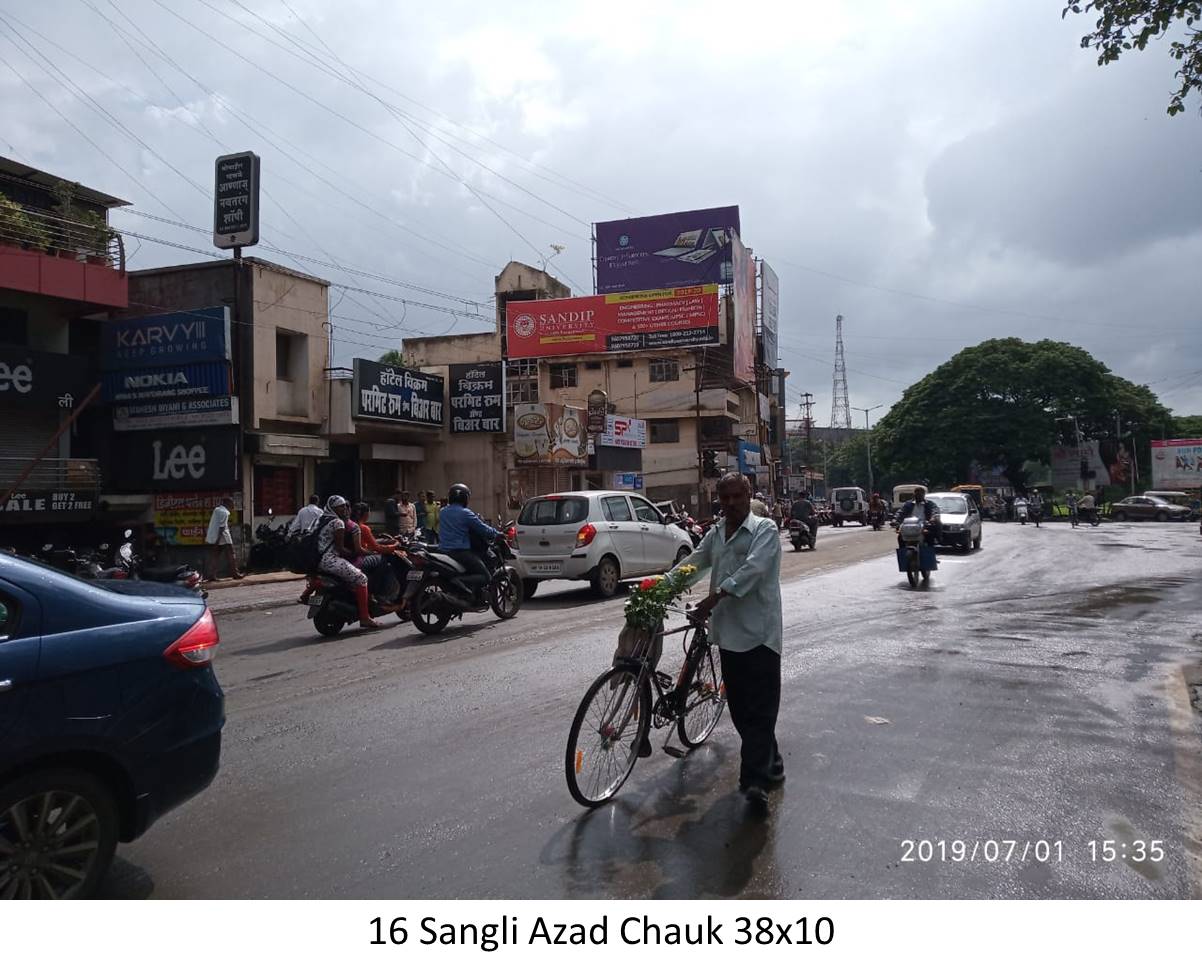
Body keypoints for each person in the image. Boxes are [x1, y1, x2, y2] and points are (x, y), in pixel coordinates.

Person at [672, 472, 784, 812]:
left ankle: (755, 782)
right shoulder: (717, 533)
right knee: (740, 711)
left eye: (737, 496)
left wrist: (714, 598)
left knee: (761, 711)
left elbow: (753, 570)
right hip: (729, 636)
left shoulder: (765, 530)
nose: (731, 503)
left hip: (761, 635)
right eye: (725, 498)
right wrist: (661, 586)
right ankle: (773, 762)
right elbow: (694, 563)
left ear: (748, 495)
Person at [315, 495, 382, 629]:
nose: (344, 509)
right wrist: (355, 553)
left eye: (345, 506)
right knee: (362, 579)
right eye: (340, 507)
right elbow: (341, 549)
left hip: (317, 559)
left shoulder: (321, 519)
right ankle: (365, 617)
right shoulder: (338, 523)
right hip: (330, 560)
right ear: (333, 508)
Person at [439, 483, 497, 602]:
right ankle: (460, 581)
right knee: (486, 576)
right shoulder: (466, 513)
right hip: (461, 552)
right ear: (465, 498)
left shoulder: (443, 512)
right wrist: (497, 533)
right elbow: (483, 529)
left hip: (443, 551)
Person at [350, 501, 403, 610]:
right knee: (385, 562)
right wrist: (394, 546)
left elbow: (370, 542)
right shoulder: (363, 528)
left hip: (352, 557)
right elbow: (377, 547)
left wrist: (386, 541)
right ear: (366, 513)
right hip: (360, 558)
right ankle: (381, 594)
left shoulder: (350, 525)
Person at [203, 496, 243, 581]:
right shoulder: (225, 512)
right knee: (231, 554)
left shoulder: (217, 509)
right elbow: (222, 527)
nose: (233, 504)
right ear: (228, 503)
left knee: (216, 555)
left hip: (216, 535)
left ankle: (211, 575)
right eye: (232, 503)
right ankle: (235, 573)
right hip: (223, 536)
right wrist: (217, 541)